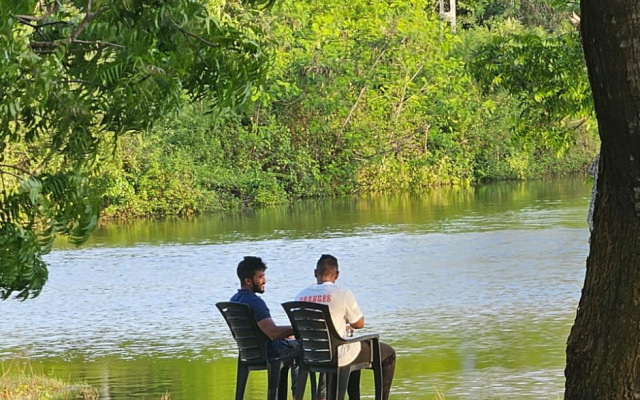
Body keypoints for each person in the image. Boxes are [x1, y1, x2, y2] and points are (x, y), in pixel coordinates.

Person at [295, 254, 396, 400]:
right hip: (338, 355)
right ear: (336, 275)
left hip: (311, 355)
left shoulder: (300, 296)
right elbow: (359, 324)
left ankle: (354, 397)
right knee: (388, 353)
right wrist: (346, 322)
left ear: (315, 273)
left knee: (353, 349)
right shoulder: (342, 294)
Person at [230, 256, 299, 397]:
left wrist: (289, 333)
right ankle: (298, 395)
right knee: (304, 347)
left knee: (290, 340)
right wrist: (299, 328)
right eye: (260, 277)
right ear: (248, 281)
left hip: (249, 353)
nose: (265, 280)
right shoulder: (255, 303)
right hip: (270, 353)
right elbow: (273, 333)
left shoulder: (234, 300)